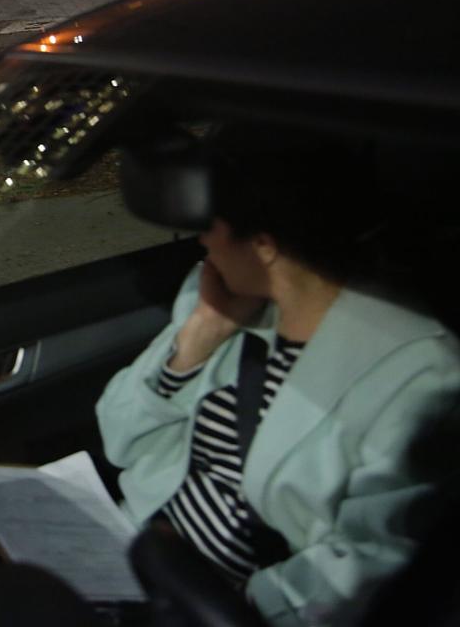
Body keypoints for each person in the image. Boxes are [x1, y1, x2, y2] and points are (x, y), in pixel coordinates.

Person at [97, 125, 460, 626]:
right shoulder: (221, 297)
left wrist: (222, 607)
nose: (201, 242)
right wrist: (201, 335)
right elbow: (118, 438)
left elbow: (367, 565)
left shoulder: (420, 373)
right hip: (126, 549)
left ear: (264, 244)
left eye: (210, 227)